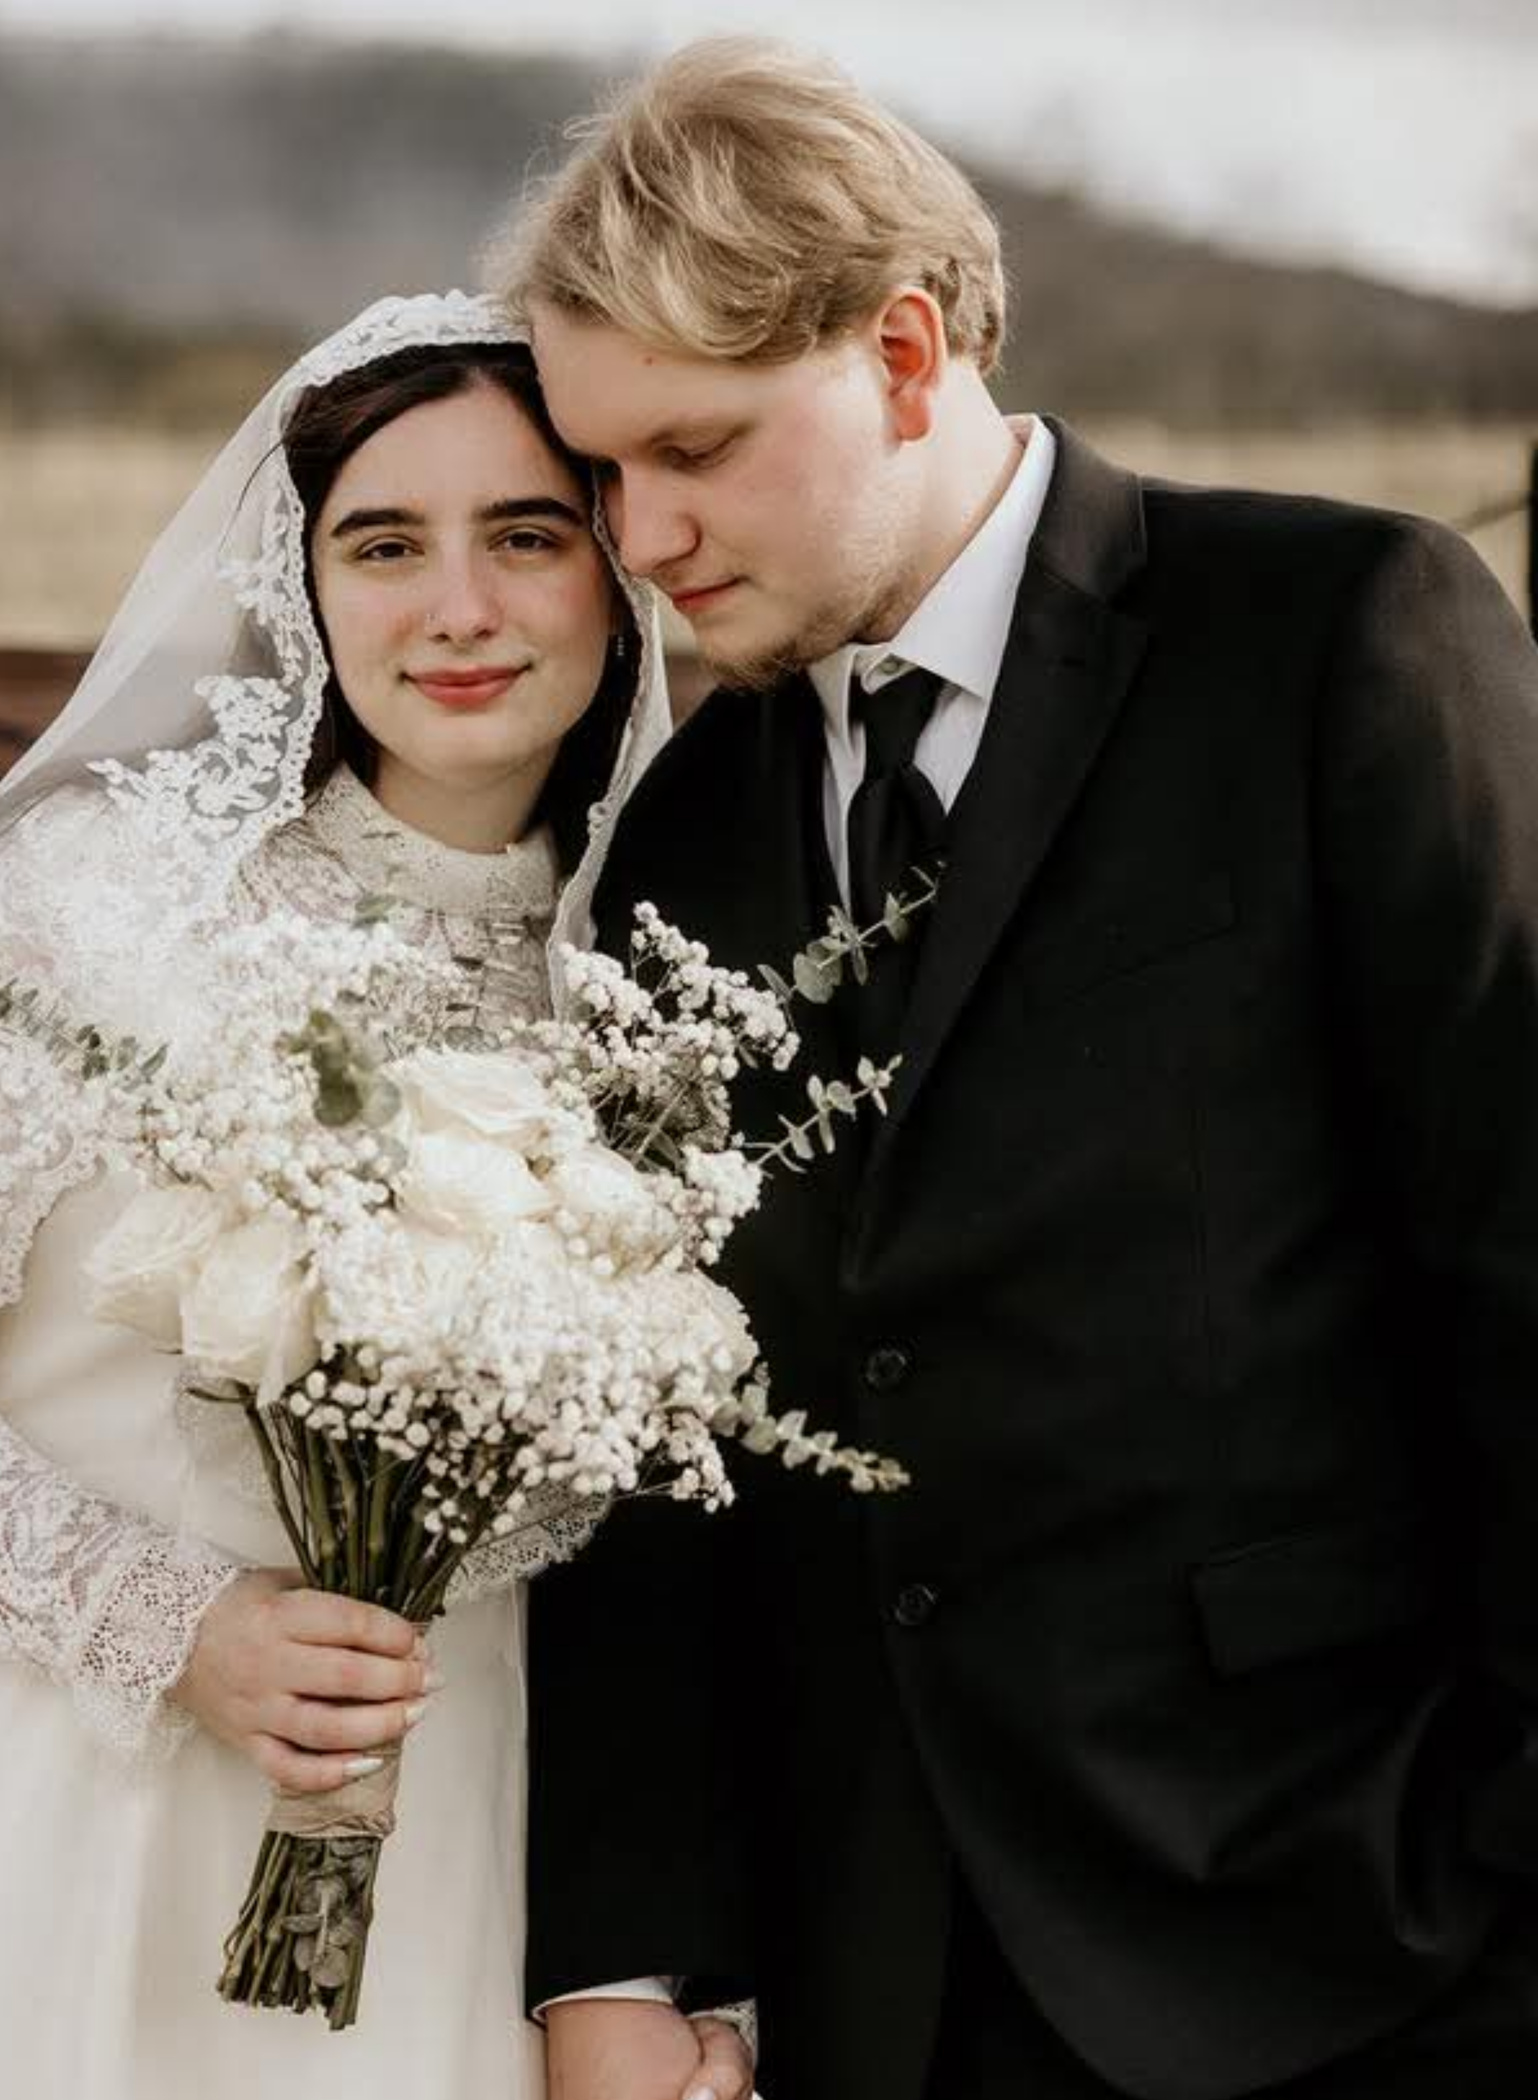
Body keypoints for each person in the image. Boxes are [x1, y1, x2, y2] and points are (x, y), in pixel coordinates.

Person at [496, 38, 1538, 2100]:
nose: (644, 535)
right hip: (888, 1982)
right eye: (603, 473)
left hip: (1362, 1932)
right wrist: (625, 1951)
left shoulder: (1335, 634)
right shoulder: (683, 828)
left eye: (693, 448)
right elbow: (656, 1446)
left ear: (902, 354)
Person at [0, 290, 712, 2100]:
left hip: (460, 1840)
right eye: (385, 545)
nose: (459, 608)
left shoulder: (669, 988)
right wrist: (163, 1621)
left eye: (525, 536)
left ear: (617, 573)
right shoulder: (98, 904)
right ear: (302, 582)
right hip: (60, 1802)